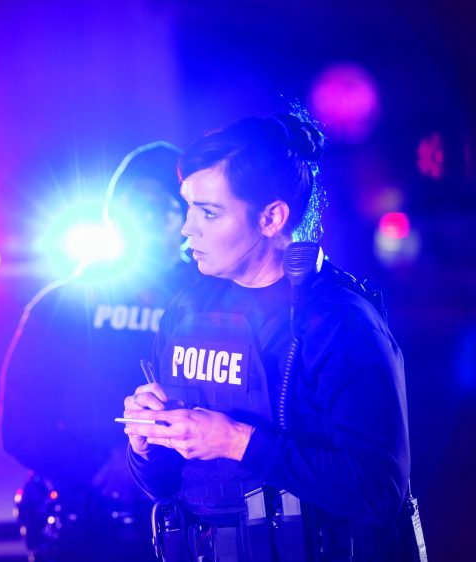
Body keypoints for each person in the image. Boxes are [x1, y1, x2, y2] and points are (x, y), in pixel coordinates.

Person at [122, 113, 413, 561]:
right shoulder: (186, 311)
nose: (187, 228)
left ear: (272, 217)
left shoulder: (339, 322)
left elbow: (378, 491)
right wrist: (146, 444)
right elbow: (166, 486)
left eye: (209, 212)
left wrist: (235, 440)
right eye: (188, 207)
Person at [0, 143, 192, 562]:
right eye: (130, 207)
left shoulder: (211, 306)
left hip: (186, 511)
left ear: (186, 218)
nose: (142, 220)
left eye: (158, 207)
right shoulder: (62, 303)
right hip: (85, 516)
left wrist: (148, 469)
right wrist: (102, 468)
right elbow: (18, 425)